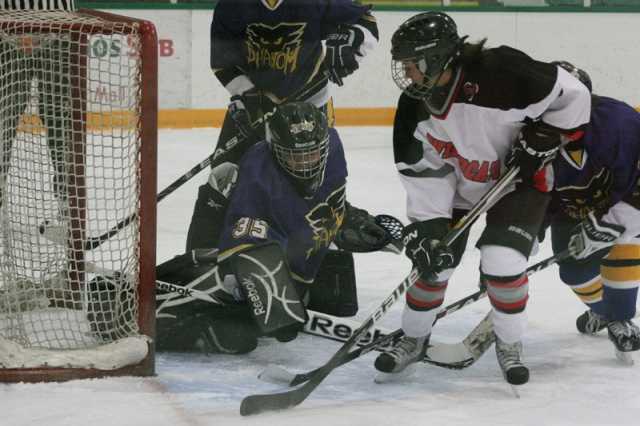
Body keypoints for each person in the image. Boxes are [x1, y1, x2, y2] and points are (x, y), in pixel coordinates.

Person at [373, 12, 591, 388]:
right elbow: (424, 168)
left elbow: (574, 94)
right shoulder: (414, 105)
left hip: (518, 181)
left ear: (436, 58)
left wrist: (544, 136)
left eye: (411, 65)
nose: (406, 74)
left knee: (502, 261)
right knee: (432, 262)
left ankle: (509, 343)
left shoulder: (502, 71)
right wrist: (430, 224)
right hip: (457, 186)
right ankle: (413, 338)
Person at [155, 102, 383, 355]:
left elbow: (319, 195)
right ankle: (163, 312)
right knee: (235, 335)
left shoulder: (333, 145)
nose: (305, 164)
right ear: (275, 150)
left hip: (297, 259)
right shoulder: (259, 180)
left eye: (311, 154)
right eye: (294, 156)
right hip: (254, 258)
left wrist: (347, 216)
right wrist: (270, 300)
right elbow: (250, 253)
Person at [541, 61, 640, 361]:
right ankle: (606, 312)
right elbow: (532, 191)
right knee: (573, 272)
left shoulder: (620, 122)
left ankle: (621, 317)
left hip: (625, 201)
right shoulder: (531, 134)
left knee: (624, 244)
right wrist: (525, 235)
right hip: (570, 209)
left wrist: (615, 223)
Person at [209, 0, 378, 164]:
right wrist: (246, 92)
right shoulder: (231, 5)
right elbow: (224, 63)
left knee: (311, 180)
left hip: (310, 103)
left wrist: (352, 45)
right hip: (255, 105)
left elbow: (365, 21)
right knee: (224, 171)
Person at [0, 1, 75, 210]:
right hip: (5, 29)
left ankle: (67, 201)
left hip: (58, 28)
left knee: (60, 117)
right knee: (4, 115)